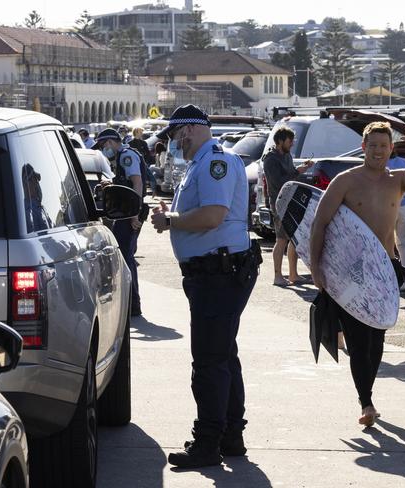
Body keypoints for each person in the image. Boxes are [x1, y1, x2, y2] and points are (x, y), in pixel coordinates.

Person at [151, 104, 262, 469]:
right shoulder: (201, 164)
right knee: (223, 356)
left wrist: (171, 220)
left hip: (219, 273)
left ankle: (208, 443)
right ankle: (230, 436)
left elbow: (213, 216)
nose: (172, 143)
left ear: (188, 130)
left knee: (210, 362)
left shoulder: (214, 160)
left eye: (174, 135)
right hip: (214, 273)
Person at [309, 118, 405, 427]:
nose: (378, 151)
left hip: (385, 270)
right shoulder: (346, 181)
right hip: (352, 273)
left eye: (384, 146)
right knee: (357, 340)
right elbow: (319, 223)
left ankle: (367, 396)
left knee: (376, 338)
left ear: (391, 148)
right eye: (373, 146)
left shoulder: (398, 179)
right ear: (363, 147)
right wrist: (316, 267)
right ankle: (366, 402)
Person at [95, 128, 145, 316]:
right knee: (124, 256)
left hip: (129, 213)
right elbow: (126, 184)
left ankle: (133, 304)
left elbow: (137, 183)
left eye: (102, 145)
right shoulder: (122, 157)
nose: (102, 149)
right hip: (125, 212)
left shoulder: (126, 156)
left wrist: (135, 214)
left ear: (110, 142)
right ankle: (130, 302)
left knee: (125, 258)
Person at [262, 126, 313, 286]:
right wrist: (299, 170)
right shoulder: (270, 159)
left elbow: (291, 174)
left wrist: (301, 169)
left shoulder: (287, 155)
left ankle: (293, 274)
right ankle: (278, 276)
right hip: (278, 202)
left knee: (294, 238)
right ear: (280, 141)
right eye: (290, 141)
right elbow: (279, 181)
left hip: (292, 200)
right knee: (281, 239)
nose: (292, 144)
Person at [386, 150, 405, 273]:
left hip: (388, 206)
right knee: (404, 244)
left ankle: (389, 275)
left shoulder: (382, 164)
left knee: (385, 243)